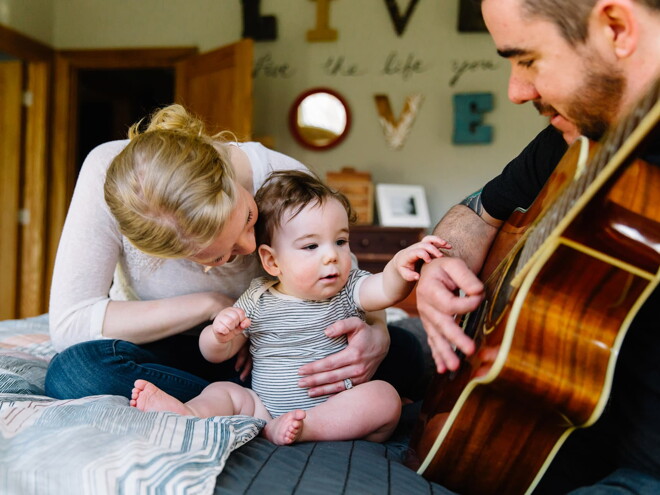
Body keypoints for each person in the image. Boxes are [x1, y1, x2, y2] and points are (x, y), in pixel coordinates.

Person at [416, 0, 659, 493]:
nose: (515, 90)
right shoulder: (579, 135)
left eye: (527, 59)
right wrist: (443, 262)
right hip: (542, 434)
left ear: (616, 28)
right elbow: (482, 209)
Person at [44, 104, 425, 404]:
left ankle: (247, 399)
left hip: (275, 350)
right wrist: (212, 304)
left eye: (247, 218)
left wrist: (377, 334)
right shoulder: (104, 174)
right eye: (216, 258)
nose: (248, 249)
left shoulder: (280, 175)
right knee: (74, 372)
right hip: (168, 347)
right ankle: (242, 401)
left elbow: (347, 277)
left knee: (406, 354)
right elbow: (71, 322)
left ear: (225, 171)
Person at [130, 170, 449, 445]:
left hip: (337, 405)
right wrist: (219, 333)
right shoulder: (257, 297)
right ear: (271, 260)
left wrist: (398, 266)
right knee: (225, 391)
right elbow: (216, 354)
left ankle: (309, 428)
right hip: (262, 408)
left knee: (383, 399)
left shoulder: (348, 287)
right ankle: (189, 413)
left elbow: (384, 289)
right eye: (311, 246)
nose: (332, 256)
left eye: (340, 241)